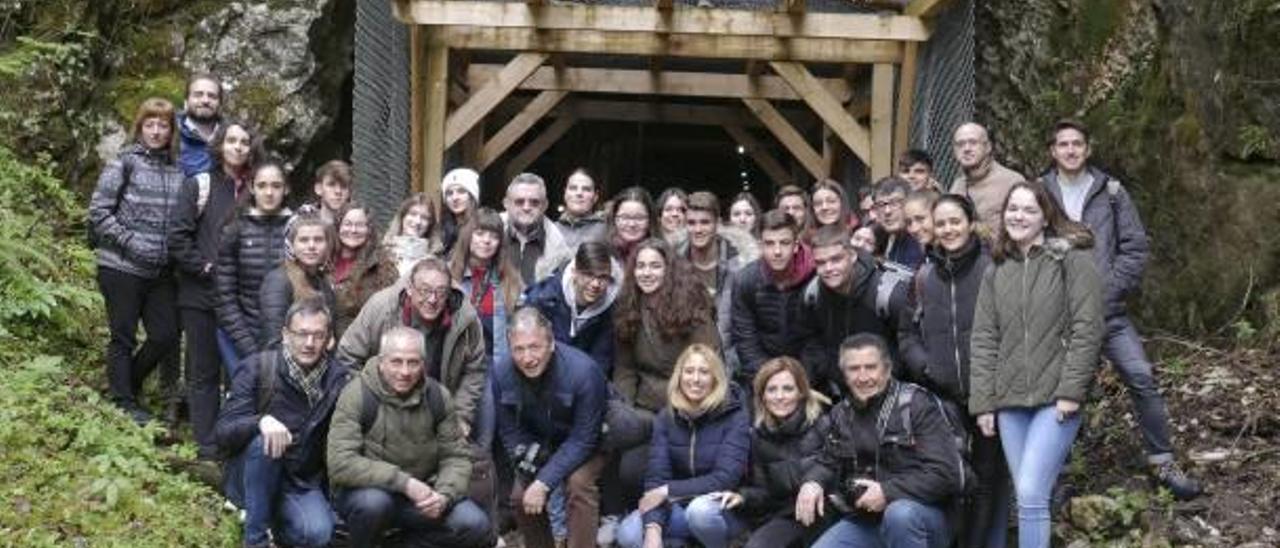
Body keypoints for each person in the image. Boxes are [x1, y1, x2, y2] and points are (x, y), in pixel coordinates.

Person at [1039, 120, 1202, 498]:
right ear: (1052, 151)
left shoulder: (1111, 191)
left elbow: (1134, 247)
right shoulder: (1037, 192)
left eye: (1077, 143)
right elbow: (1027, 245)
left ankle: (1162, 461)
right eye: (1063, 144)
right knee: (1061, 390)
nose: (1070, 150)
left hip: (1109, 313)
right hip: (1059, 317)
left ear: (1088, 149)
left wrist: (1105, 292)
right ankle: (1058, 472)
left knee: (1141, 375)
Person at [969, 181, 1105, 548]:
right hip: (1010, 401)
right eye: (1013, 208)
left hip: (1056, 397)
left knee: (1030, 491)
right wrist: (983, 403)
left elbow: (1087, 328)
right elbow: (983, 338)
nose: (1019, 216)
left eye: (1029, 210)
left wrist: (1071, 391)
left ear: (1045, 217)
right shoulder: (997, 269)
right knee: (1028, 496)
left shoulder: (1073, 260)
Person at [898, 194, 1010, 548]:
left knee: (989, 477)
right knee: (952, 477)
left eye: (955, 221)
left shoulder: (994, 266)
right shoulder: (925, 274)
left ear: (970, 221)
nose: (948, 229)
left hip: (990, 391)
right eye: (941, 223)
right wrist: (925, 366)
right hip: (943, 394)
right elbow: (906, 333)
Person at [327, 327, 495, 548]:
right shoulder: (357, 394)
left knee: (475, 524)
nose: (405, 372)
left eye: (413, 362)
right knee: (375, 504)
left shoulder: (437, 396)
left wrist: (444, 495)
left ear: (423, 364)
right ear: (381, 361)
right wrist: (404, 483)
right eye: (396, 362)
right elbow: (340, 462)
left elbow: (455, 457)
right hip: (367, 494)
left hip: (422, 495)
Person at [797, 334, 965, 548]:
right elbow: (828, 461)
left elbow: (946, 473)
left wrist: (887, 492)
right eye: (854, 369)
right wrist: (812, 482)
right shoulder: (842, 413)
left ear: (887, 368)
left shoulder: (917, 404)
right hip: (867, 520)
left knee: (899, 515)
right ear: (844, 374)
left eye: (870, 367)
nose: (863, 376)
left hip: (923, 517)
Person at [215, 298, 349, 548]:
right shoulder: (257, 368)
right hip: (251, 472)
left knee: (318, 534)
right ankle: (255, 540)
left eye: (318, 335)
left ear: (329, 339)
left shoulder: (337, 380)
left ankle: (274, 522)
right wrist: (260, 421)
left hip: (298, 481)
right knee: (266, 442)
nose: (309, 343)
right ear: (286, 335)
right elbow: (222, 433)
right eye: (302, 334)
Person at [89, 97, 186, 425]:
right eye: (150, 124)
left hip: (159, 271)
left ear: (171, 131)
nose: (156, 131)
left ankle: (124, 381)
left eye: (163, 125)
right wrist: (131, 243)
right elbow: (99, 213)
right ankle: (124, 401)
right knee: (123, 334)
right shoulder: (124, 163)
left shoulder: (177, 170)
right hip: (121, 266)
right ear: (140, 127)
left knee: (166, 334)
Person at [169, 120, 260, 455]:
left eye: (244, 142)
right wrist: (204, 266)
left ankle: (235, 437)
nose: (238, 147)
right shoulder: (201, 184)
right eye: (232, 140)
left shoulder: (258, 189)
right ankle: (207, 443)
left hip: (242, 299)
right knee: (203, 371)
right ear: (220, 145)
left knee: (240, 372)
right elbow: (178, 236)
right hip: (201, 295)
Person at [493, 307, 609, 548]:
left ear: (552, 343)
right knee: (520, 496)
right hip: (543, 443)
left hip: (590, 441)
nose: (527, 357)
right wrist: (530, 469)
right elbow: (510, 431)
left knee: (578, 484)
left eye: (534, 347)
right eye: (519, 349)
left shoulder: (584, 372)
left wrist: (544, 481)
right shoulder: (500, 373)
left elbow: (584, 438)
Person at [615, 344, 751, 548]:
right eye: (689, 371)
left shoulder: (734, 416)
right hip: (678, 506)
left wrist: (666, 491)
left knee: (700, 512)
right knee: (629, 534)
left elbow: (725, 478)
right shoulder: (666, 417)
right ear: (679, 377)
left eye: (704, 372)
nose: (695, 379)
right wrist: (653, 529)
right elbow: (656, 480)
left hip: (721, 509)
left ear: (715, 379)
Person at [338, 257, 488, 440]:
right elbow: (347, 356)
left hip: (438, 408)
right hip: (383, 404)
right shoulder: (381, 308)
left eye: (441, 292)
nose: (432, 300)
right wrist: (369, 406)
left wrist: (460, 415)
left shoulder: (466, 319)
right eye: (425, 291)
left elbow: (474, 369)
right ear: (410, 288)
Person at [720, 357, 832, 548]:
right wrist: (743, 497)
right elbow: (765, 491)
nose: (779, 396)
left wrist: (814, 484)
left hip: (827, 512)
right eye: (771, 390)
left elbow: (836, 468)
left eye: (788, 389)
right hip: (787, 515)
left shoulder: (824, 423)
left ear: (801, 392)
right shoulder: (758, 436)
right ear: (762, 396)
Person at [799, 224, 909, 397]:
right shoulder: (812, 295)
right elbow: (811, 343)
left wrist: (881, 379)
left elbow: (908, 345)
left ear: (851, 256)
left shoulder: (888, 294)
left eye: (836, 259)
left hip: (891, 391)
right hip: (842, 392)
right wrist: (831, 373)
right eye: (821, 263)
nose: (828, 268)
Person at [215, 161, 293, 370]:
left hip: (288, 340)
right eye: (262, 185)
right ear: (251, 187)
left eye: (276, 186)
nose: (269, 192)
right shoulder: (235, 229)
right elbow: (225, 296)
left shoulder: (298, 229)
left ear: (286, 189)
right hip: (242, 336)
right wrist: (247, 346)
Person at [730, 209, 815, 387]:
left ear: (796, 245)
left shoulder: (815, 277)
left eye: (784, 243)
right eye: (769, 243)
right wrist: (771, 380)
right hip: (761, 376)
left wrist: (800, 379)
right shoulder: (745, 281)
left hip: (809, 376)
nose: (777, 251)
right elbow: (746, 341)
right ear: (761, 245)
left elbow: (819, 337)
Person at [678, 191, 758, 374]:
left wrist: (733, 368)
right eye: (691, 223)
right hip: (687, 368)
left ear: (718, 224)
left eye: (705, 222)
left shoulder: (742, 266)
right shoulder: (673, 266)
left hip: (734, 370)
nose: (697, 229)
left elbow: (751, 328)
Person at [522, 240, 624, 374]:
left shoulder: (610, 310)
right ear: (575, 272)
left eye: (603, 277)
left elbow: (601, 362)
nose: (595, 284)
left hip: (585, 382)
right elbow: (528, 351)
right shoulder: (542, 299)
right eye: (589, 275)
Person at [449, 207, 524, 368]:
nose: (487, 240)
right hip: (456, 366)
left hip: (497, 367)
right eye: (480, 233)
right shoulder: (448, 275)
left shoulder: (511, 280)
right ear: (468, 236)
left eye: (494, 236)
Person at [258, 213, 337, 350]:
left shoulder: (322, 280)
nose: (311, 246)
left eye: (318, 240)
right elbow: (273, 342)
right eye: (303, 240)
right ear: (291, 245)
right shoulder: (278, 282)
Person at [331, 202, 398, 339]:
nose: (353, 230)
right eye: (348, 224)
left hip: (359, 346)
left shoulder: (382, 266)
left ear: (369, 230)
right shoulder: (324, 260)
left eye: (360, 225)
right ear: (338, 227)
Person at [950, 122, 1025, 235]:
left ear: (988, 147)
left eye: (973, 142)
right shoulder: (957, 185)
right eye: (960, 144)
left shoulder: (1012, 182)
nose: (966, 149)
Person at [501, 172, 572, 285]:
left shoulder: (558, 244)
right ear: (506, 204)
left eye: (534, 202)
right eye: (519, 202)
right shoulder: (488, 231)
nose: (526, 207)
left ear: (545, 205)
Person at [383, 193, 443, 278]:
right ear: (402, 217)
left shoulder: (435, 263)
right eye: (413, 214)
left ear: (430, 225)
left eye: (424, 218)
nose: (418, 221)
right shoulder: (383, 254)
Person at [874, 177, 925, 270]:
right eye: (881, 204)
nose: (887, 211)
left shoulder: (922, 240)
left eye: (895, 203)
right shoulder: (878, 237)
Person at [177, 73, 223, 177]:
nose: (205, 100)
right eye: (198, 95)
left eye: (212, 96)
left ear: (220, 103)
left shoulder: (232, 138)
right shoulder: (170, 133)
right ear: (186, 100)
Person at [557, 168, 609, 249]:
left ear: (595, 196)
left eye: (586, 189)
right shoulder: (550, 231)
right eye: (573, 188)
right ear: (565, 193)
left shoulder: (608, 231)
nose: (579, 193)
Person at [606, 186, 656, 261]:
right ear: (614, 219)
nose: (632, 224)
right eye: (625, 217)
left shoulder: (662, 254)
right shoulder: (602, 252)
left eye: (639, 218)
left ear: (650, 220)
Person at [441, 167, 481, 254]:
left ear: (472, 196)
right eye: (449, 193)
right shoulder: (441, 231)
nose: (454, 198)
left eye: (461, 191)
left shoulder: (483, 227)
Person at [307, 160, 353, 224]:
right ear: (318, 189)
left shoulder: (354, 225)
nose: (338, 191)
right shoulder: (302, 220)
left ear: (350, 192)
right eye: (331, 185)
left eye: (344, 186)